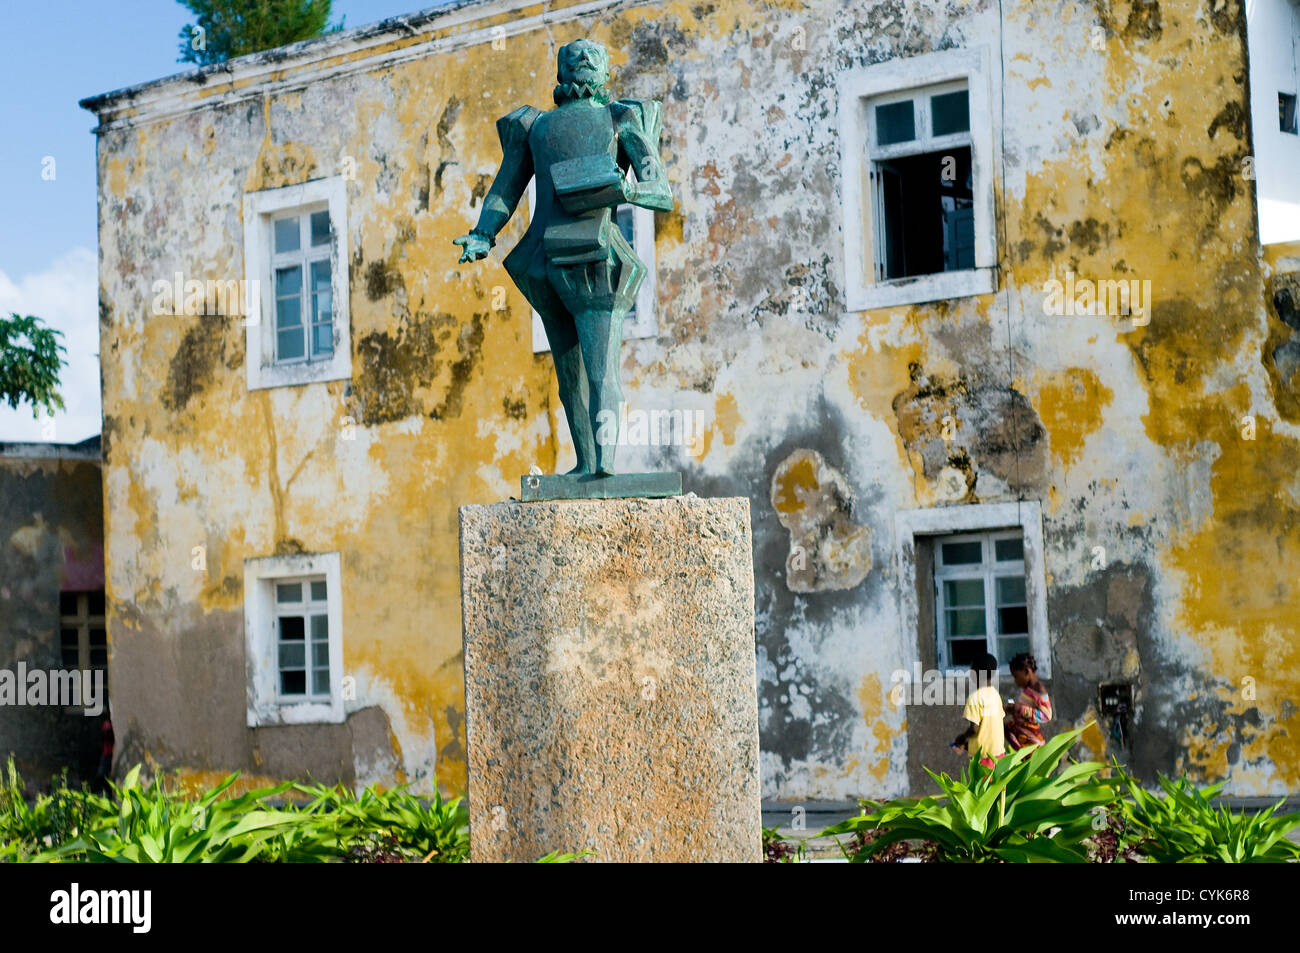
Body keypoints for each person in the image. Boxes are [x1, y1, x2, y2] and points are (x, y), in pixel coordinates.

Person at [951, 653, 1005, 769]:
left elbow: (974, 729)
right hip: (999, 755)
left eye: (971, 668)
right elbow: (988, 730)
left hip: (983, 758)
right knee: (998, 787)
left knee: (982, 786)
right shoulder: (995, 695)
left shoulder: (974, 698)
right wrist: (965, 745)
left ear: (975, 672)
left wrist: (962, 738)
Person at [1005, 652, 1052, 751]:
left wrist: (1021, 709)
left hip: (1032, 743)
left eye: (1016, 676)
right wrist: (1012, 709)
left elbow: (1046, 716)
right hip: (1023, 740)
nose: (1015, 681)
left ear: (1027, 671)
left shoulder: (1039, 690)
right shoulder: (1027, 690)